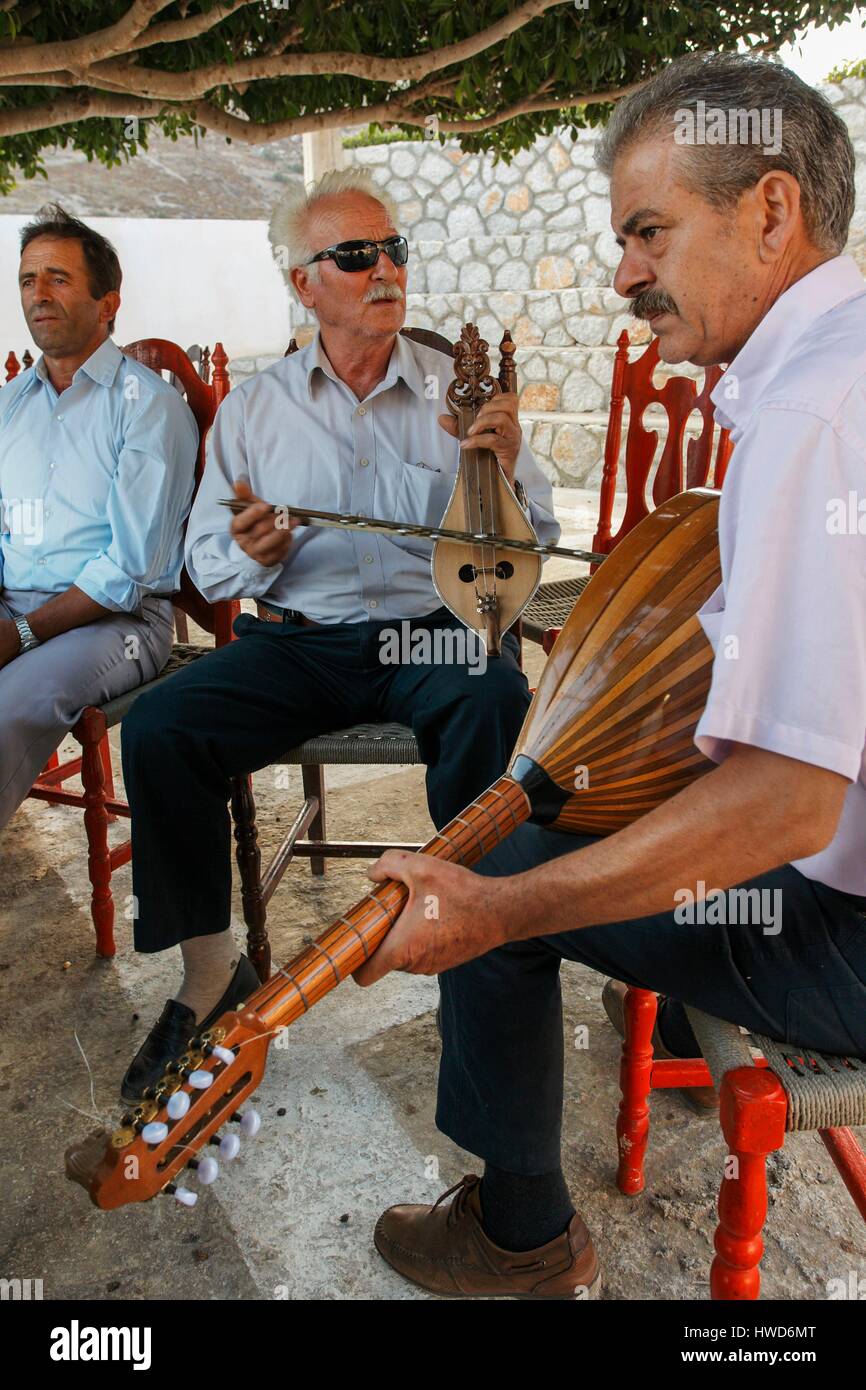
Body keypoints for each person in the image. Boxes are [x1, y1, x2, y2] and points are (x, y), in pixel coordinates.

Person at [357, 52, 866, 1300]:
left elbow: (787, 806)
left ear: (767, 208)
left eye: (647, 230)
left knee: (493, 881)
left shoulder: (810, 415)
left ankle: (519, 1235)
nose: (623, 272)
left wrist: (486, 914)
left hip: (839, 934)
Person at [118, 169, 559, 1104]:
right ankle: (211, 975)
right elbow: (207, 555)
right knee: (159, 730)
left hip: (426, 634)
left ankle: (478, 949)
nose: (385, 269)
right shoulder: (255, 409)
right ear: (303, 283)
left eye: (394, 249)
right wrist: (254, 550)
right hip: (296, 641)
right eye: (356, 255)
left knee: (494, 700)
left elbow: (539, 541)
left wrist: (505, 473)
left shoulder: (463, 390)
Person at [0, 205, 196, 839]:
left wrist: (21, 634)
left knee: (9, 709)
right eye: (28, 280)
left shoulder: (149, 407)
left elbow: (130, 568)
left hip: (119, 621)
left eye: (57, 278)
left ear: (108, 302)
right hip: (15, 610)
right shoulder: (7, 407)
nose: (38, 294)